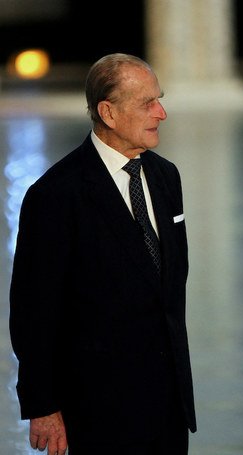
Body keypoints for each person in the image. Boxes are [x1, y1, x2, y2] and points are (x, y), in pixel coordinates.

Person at [9, 53, 196, 454]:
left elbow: (165, 287)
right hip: (96, 411)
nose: (161, 112)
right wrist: (43, 407)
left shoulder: (167, 178)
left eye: (159, 99)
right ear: (108, 112)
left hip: (168, 406)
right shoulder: (54, 196)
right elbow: (33, 313)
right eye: (148, 103)